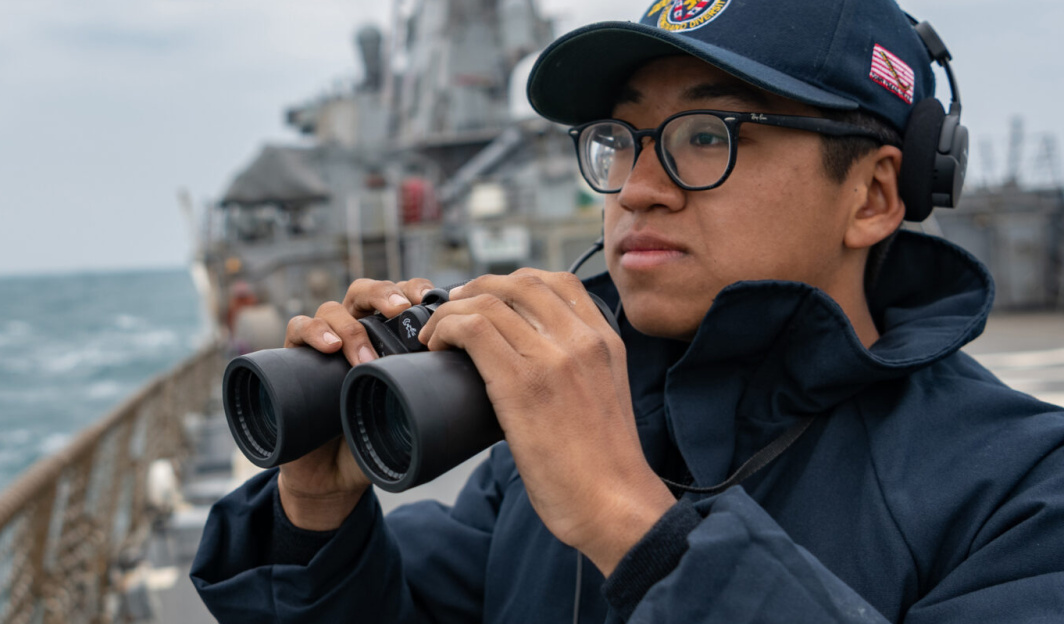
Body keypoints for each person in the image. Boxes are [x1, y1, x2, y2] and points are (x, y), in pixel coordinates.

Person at [191, 0, 1064, 621]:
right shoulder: (540, 450)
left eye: (708, 136)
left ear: (872, 196)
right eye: (619, 140)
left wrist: (626, 517)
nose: (637, 189)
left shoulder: (1023, 493)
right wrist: (314, 519)